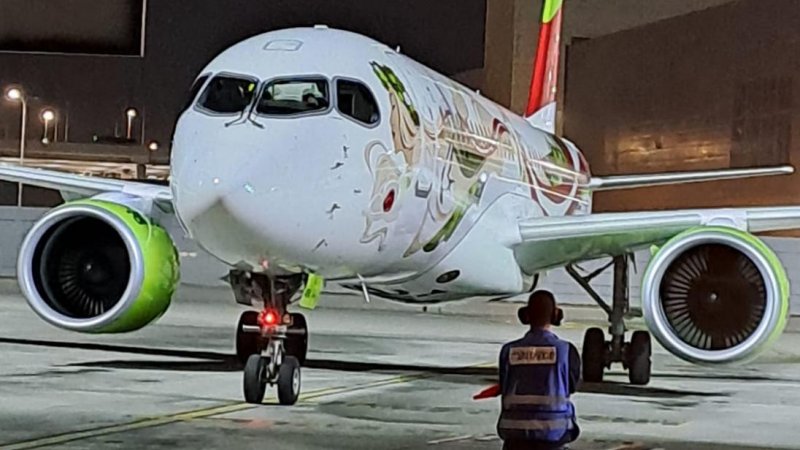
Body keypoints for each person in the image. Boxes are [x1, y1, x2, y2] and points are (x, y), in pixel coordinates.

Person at [497, 290, 581, 450]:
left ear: (526, 315)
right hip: (552, 436)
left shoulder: (508, 350)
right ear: (556, 315)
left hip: (514, 436)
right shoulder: (565, 350)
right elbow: (572, 386)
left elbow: (504, 384)